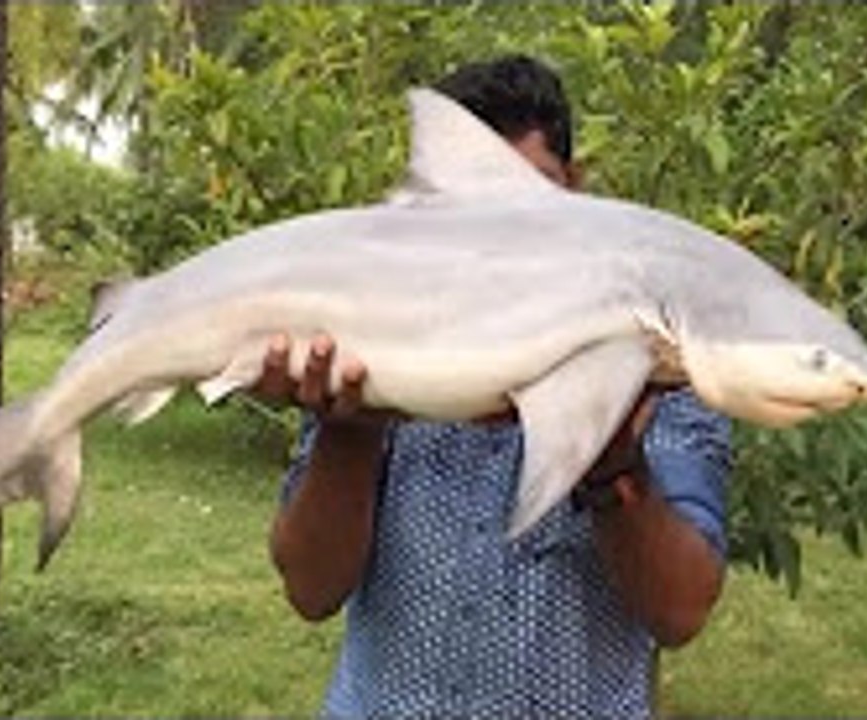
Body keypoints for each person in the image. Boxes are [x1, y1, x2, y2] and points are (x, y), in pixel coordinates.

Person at [254, 55, 731, 718]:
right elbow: (310, 590)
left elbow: (679, 610)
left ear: (576, 193)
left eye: (527, 202)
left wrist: (613, 471)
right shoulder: (375, 341)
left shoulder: (653, 358)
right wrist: (348, 431)